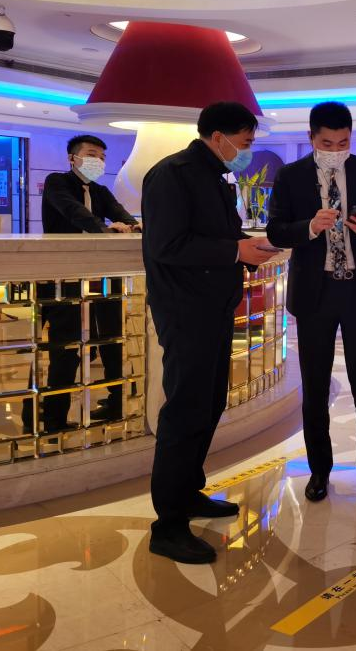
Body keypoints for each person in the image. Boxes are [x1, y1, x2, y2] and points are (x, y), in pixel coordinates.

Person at [142, 101, 278, 564]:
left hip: (214, 308)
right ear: (218, 136)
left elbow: (219, 235)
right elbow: (167, 245)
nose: (248, 150)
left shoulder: (216, 175)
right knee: (184, 412)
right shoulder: (172, 174)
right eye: (244, 141)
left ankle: (188, 493)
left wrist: (245, 248)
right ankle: (168, 524)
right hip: (185, 311)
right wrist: (236, 251)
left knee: (209, 403)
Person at [267, 101, 356, 504]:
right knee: (315, 385)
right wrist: (308, 227)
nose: (336, 150)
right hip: (315, 292)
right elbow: (276, 230)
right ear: (311, 138)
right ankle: (319, 471)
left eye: (343, 143)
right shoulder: (290, 176)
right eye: (327, 143)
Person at [29, 135, 140, 433]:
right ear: (72, 158)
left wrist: (134, 225)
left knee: (112, 341)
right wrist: (105, 230)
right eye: (92, 154)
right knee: (65, 348)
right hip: (64, 277)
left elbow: (120, 213)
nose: (98, 161)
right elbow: (75, 213)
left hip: (102, 275)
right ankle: (53, 419)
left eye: (102, 157)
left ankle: (116, 402)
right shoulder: (57, 183)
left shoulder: (101, 191)